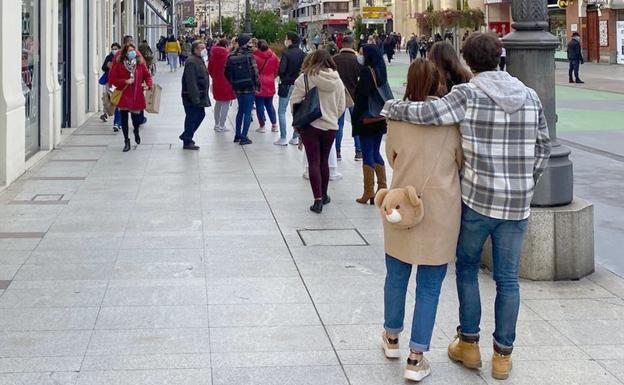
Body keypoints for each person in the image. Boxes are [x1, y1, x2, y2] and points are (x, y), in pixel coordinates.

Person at [381, 32, 552, 380]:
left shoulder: (467, 94)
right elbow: (543, 146)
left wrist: (390, 108)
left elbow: (428, 112)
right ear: (501, 56)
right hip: (516, 205)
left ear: (469, 61)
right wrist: (526, 183)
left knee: (468, 269)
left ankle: (469, 344)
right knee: (508, 280)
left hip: (477, 200)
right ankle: (503, 355)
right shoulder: (530, 95)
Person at [380, 58, 463, 383]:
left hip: (400, 205)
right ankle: (416, 357)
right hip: (440, 210)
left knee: (396, 276)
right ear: (437, 83)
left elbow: (392, 156)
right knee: (429, 286)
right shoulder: (450, 121)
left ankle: (391, 338)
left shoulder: (397, 118)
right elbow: (460, 161)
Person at [290, 49, 346, 214]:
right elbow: (342, 106)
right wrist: (332, 116)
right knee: (324, 161)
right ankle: (325, 193)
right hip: (330, 126)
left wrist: (300, 119)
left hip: (310, 126)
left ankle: (317, 200)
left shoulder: (305, 78)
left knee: (313, 161)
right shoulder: (337, 80)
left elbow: (294, 103)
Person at [352, 44, 389, 204]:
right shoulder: (381, 71)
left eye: (361, 53)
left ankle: (369, 192)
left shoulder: (367, 72)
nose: (359, 56)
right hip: (379, 119)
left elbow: (362, 96)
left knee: (367, 152)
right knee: (375, 152)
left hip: (366, 119)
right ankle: (382, 189)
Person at [108, 43, 153, 152]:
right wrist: (125, 81)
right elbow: (112, 79)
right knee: (124, 119)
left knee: (136, 119)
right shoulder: (119, 64)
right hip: (124, 94)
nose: (131, 53)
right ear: (125, 53)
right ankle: (126, 140)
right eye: (129, 51)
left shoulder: (140, 64)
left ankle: (136, 131)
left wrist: (148, 84)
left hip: (136, 94)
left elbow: (147, 75)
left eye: (133, 50)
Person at [225, 33, 260, 145]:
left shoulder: (231, 55)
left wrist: (233, 82)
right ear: (245, 43)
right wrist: (257, 86)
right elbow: (255, 72)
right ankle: (244, 137)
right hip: (249, 87)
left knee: (240, 110)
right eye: (249, 41)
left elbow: (226, 72)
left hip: (238, 87)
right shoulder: (249, 55)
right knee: (248, 111)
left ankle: (238, 135)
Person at [333, 35, 363, 161]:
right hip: (354, 96)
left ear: (342, 45)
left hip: (338, 96)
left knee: (338, 125)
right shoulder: (357, 60)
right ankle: (359, 151)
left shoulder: (334, 59)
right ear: (352, 44)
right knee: (356, 124)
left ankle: (337, 151)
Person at [275, 31, 306, 146]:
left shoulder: (286, 53)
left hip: (286, 84)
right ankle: (295, 137)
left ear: (290, 40)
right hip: (299, 85)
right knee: (296, 111)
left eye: (286, 38)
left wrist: (282, 77)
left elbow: (281, 70)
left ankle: (283, 137)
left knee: (282, 111)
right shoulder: (303, 54)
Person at [180, 41, 211, 150]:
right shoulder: (192, 62)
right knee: (192, 117)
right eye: (201, 48)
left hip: (200, 94)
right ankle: (187, 139)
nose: (204, 49)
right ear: (195, 49)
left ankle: (187, 135)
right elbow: (191, 81)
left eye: (204, 47)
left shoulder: (198, 60)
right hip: (192, 96)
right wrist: (195, 98)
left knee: (199, 115)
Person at [208, 38, 236, 133]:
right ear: (226, 46)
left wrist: (215, 77)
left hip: (217, 81)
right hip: (227, 82)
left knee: (218, 103)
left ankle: (216, 124)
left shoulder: (212, 56)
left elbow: (210, 69)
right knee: (226, 104)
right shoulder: (228, 57)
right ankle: (222, 124)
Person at [253, 39, 280, 133]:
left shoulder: (255, 57)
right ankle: (274, 125)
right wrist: (272, 76)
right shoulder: (274, 56)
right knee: (269, 104)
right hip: (270, 82)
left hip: (259, 83)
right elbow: (277, 70)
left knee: (259, 105)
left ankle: (262, 126)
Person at [99, 42, 121, 129]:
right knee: (109, 97)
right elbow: (103, 67)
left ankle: (117, 121)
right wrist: (108, 66)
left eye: (116, 48)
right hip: (110, 82)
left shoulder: (122, 58)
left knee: (117, 100)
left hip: (119, 83)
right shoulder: (109, 57)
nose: (114, 50)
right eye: (113, 48)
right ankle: (106, 113)